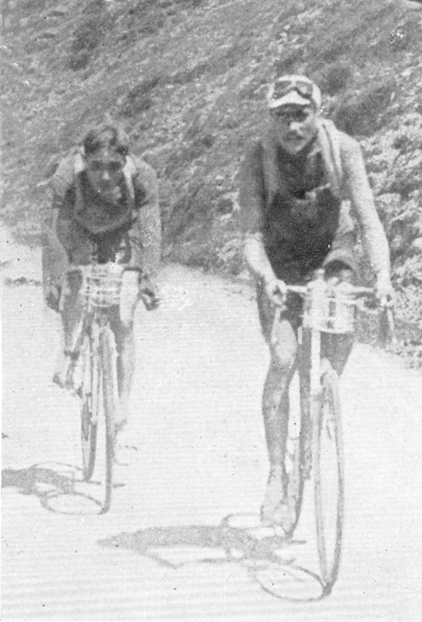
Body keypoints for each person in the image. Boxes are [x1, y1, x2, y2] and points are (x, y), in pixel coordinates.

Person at [238, 74, 393, 530]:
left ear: (318, 113)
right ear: (271, 118)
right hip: (281, 264)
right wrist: (265, 276)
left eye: (300, 115)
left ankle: (323, 398)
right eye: (282, 117)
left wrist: (383, 277)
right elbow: (250, 236)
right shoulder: (258, 157)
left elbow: (368, 220)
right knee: (284, 359)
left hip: (333, 253)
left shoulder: (343, 149)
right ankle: (276, 473)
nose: (291, 126)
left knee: (337, 334)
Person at [42, 123, 161, 441]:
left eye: (113, 167)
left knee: (123, 318)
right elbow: (53, 230)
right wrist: (54, 278)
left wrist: (148, 276)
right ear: (85, 159)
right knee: (76, 287)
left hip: (125, 233)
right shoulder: (67, 175)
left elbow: (150, 227)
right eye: (97, 167)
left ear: (125, 161)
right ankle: (69, 351)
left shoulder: (141, 176)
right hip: (80, 229)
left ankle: (122, 402)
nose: (105, 175)